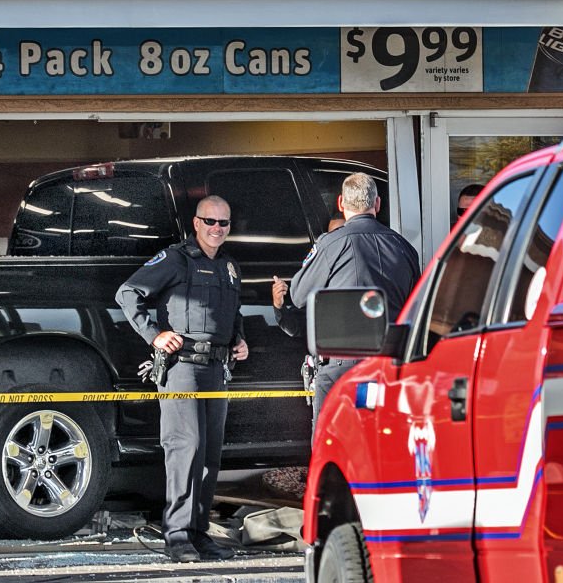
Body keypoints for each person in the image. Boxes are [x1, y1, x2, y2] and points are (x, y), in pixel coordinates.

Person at [115, 195, 249, 563]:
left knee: (209, 457)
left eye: (224, 223)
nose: (217, 229)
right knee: (185, 449)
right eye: (211, 222)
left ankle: (199, 533)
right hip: (182, 369)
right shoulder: (176, 259)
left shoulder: (229, 267)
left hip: (217, 370)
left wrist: (239, 341)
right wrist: (154, 334)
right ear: (196, 223)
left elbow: (230, 314)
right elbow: (127, 293)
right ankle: (176, 536)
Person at [272, 172, 420, 432]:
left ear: (341, 203)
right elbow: (416, 307)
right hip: (392, 369)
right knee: (386, 447)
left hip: (343, 369)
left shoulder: (332, 244)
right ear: (377, 204)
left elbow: (297, 296)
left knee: (335, 448)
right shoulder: (405, 248)